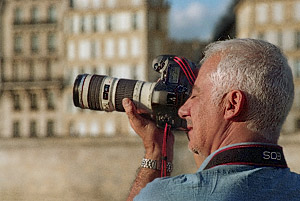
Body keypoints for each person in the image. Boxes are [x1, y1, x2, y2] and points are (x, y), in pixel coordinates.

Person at [122, 38, 300, 201]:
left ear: (232, 104)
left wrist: (155, 151)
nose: (182, 111)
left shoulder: (168, 195)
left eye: (194, 96)